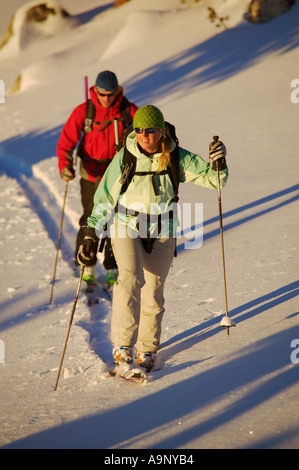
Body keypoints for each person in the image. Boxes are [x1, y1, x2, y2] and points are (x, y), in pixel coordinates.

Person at [76, 105, 228, 373]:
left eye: (151, 130)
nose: (145, 135)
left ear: (161, 131)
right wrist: (91, 232)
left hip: (162, 229)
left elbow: (213, 181)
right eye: (140, 130)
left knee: (154, 291)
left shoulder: (175, 157)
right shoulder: (126, 158)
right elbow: (104, 198)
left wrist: (219, 164)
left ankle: (147, 349)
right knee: (130, 278)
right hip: (127, 224)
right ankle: (123, 347)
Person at [56, 70, 138, 285]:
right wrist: (65, 166)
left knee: (116, 221)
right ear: (95, 90)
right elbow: (66, 141)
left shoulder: (128, 111)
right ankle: (87, 263)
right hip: (90, 174)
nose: (107, 99)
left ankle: (112, 267)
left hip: (119, 176)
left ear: (117, 91)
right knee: (90, 218)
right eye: (102, 94)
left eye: (111, 94)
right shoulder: (85, 111)